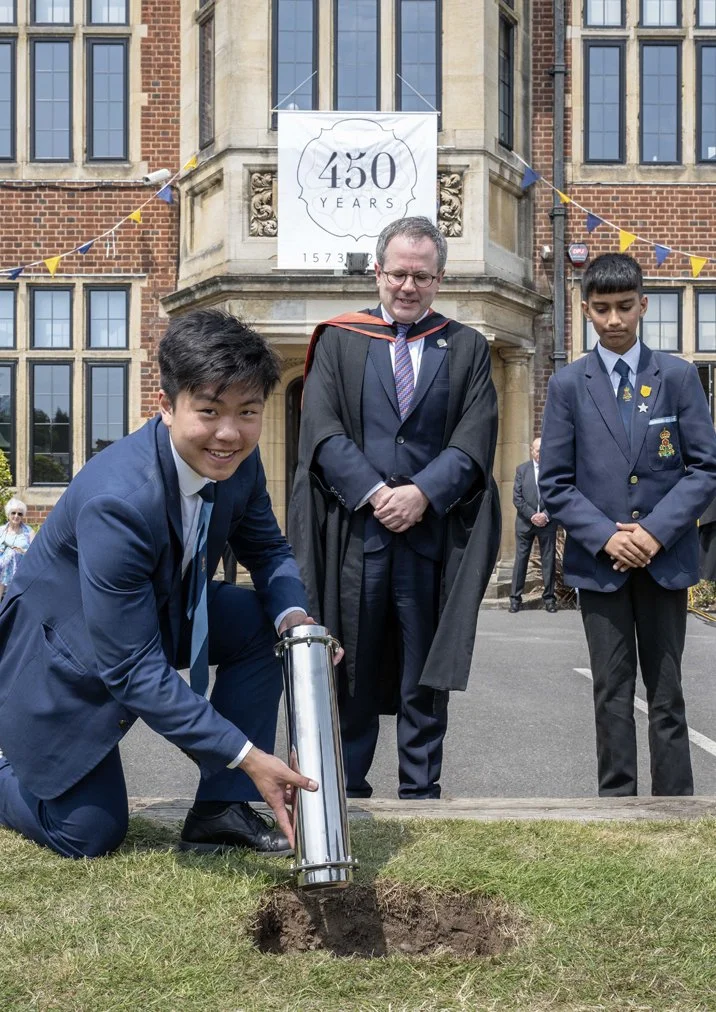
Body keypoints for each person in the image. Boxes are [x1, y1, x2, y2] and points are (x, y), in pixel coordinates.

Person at [0, 310, 321, 859]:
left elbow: (267, 550)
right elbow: (130, 667)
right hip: (62, 656)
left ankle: (221, 810)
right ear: (166, 407)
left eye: (247, 412)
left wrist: (293, 618)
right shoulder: (117, 503)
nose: (229, 433)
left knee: (259, 623)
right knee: (88, 833)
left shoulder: (237, 462)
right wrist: (244, 753)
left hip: (158, 613)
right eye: (209, 411)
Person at [288, 216, 501, 800]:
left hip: (429, 540)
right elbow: (322, 432)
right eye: (399, 274)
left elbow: (474, 439)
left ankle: (420, 791)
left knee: (422, 672)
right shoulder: (339, 340)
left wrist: (422, 493)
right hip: (357, 536)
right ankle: (344, 791)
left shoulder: (466, 347)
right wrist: (379, 493)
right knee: (349, 666)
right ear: (377, 271)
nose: (409, 287)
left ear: (440, 278)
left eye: (422, 276)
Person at [539, 253, 716, 797]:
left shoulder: (679, 377)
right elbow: (557, 483)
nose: (613, 320)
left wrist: (653, 533)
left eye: (623, 307)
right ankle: (616, 804)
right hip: (602, 564)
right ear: (585, 309)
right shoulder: (568, 385)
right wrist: (610, 536)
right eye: (601, 309)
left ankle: (675, 805)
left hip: (664, 560)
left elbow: (704, 468)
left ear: (643, 305)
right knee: (611, 692)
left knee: (667, 693)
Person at [508, 438, 558, 613]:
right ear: (531, 450)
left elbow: (557, 496)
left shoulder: (553, 471)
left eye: (542, 450)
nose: (540, 453)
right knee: (521, 560)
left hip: (548, 522)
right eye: (537, 450)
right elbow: (517, 498)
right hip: (525, 523)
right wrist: (533, 516)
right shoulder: (522, 470)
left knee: (548, 561)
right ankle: (515, 599)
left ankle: (549, 599)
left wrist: (545, 515)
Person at [0, 498, 34, 602]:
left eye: (20, 514)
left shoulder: (29, 532)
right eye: (13, 513)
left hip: (20, 570)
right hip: (1, 567)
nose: (16, 516)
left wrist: (22, 552)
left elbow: (34, 553)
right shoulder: (1, 530)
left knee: (12, 554)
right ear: (8, 514)